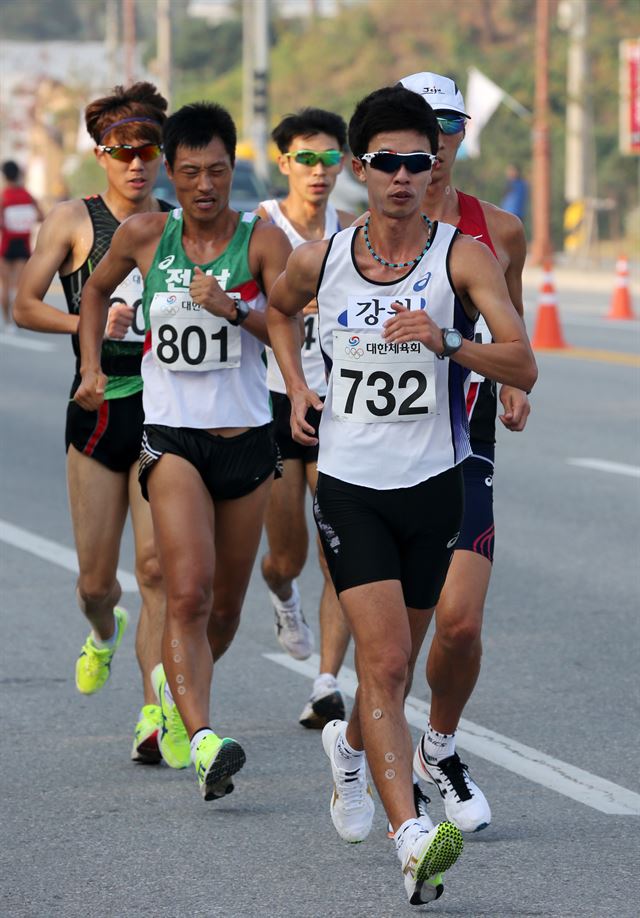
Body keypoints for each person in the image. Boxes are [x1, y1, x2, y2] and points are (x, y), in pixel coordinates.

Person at [266, 85, 537, 906]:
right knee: (381, 664)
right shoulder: (324, 259)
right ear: (360, 168)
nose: (402, 176)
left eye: (418, 161)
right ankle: (411, 834)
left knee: (403, 663)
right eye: (385, 162)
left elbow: (521, 363)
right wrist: (297, 388)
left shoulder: (464, 257)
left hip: (435, 486)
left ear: (432, 169)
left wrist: (451, 340)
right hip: (350, 487)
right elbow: (276, 309)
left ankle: (351, 752)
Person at [75, 102, 292, 801]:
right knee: (187, 590)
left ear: (235, 170)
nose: (205, 185)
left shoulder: (260, 242)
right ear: (172, 172)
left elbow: (288, 322)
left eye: (218, 171)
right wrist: (91, 365)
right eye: (191, 172)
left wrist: (234, 309)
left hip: (246, 440)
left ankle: (175, 691)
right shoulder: (145, 235)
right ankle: (202, 738)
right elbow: (95, 290)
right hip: (172, 443)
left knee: (226, 607)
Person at [13, 83, 170, 764]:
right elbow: (22, 305)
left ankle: (153, 713)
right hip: (97, 404)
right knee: (96, 583)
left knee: (159, 567)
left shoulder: (180, 222)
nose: (137, 164)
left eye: (149, 150)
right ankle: (104, 633)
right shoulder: (74, 220)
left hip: (165, 410)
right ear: (101, 154)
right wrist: (89, 321)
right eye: (123, 152)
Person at [398, 71, 531, 834]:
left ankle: (436, 749)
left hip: (463, 441)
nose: (435, 144)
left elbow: (511, 330)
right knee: (391, 647)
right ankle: (360, 751)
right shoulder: (358, 236)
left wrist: (517, 382)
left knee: (460, 626)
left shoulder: (499, 230)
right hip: (379, 453)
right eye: (420, 128)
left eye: (448, 126)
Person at [256, 107, 353, 728]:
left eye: (329, 159)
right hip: (270, 401)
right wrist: (284, 303)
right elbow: (243, 305)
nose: (319, 172)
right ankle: (282, 596)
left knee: (340, 551)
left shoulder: (353, 232)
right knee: (286, 557)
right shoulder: (260, 227)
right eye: (306, 159)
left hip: (339, 408)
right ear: (284, 162)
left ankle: (325, 682)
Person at [0, 160, 42, 329]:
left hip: (6, 245)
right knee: (18, 285)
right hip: (23, 245)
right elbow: (41, 216)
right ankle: (17, 320)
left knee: (5, 284)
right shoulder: (28, 195)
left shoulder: (4, 196)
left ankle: (7, 321)